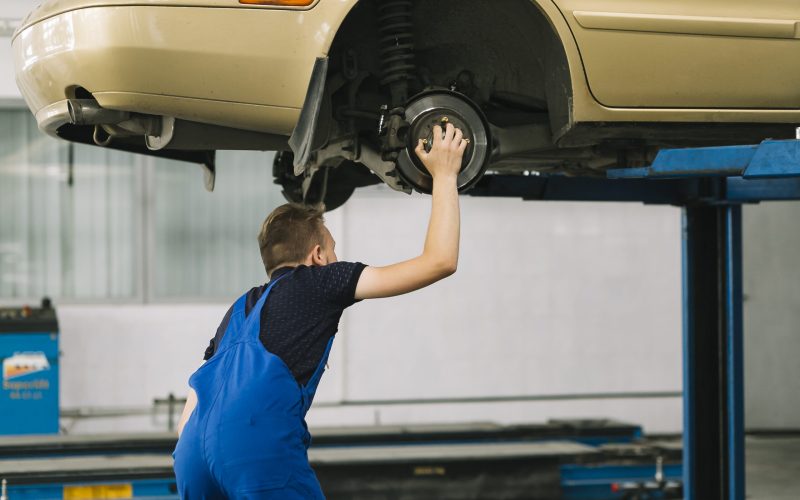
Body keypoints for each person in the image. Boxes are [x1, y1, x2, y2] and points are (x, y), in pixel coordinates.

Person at [172, 122, 468, 499]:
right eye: (332, 250)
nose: (336, 259)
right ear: (316, 257)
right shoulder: (319, 282)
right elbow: (439, 261)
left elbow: (197, 390)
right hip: (250, 446)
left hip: (192, 450)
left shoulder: (239, 309)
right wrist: (445, 174)